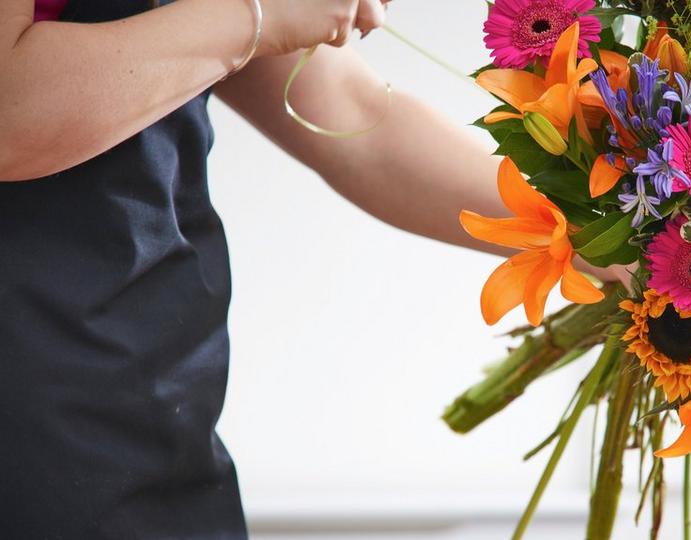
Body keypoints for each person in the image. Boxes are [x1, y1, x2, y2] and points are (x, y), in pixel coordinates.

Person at [0, 1, 626, 537]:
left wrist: (607, 240)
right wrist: (255, 14)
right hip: (32, 406)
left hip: (148, 407)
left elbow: (351, 114)